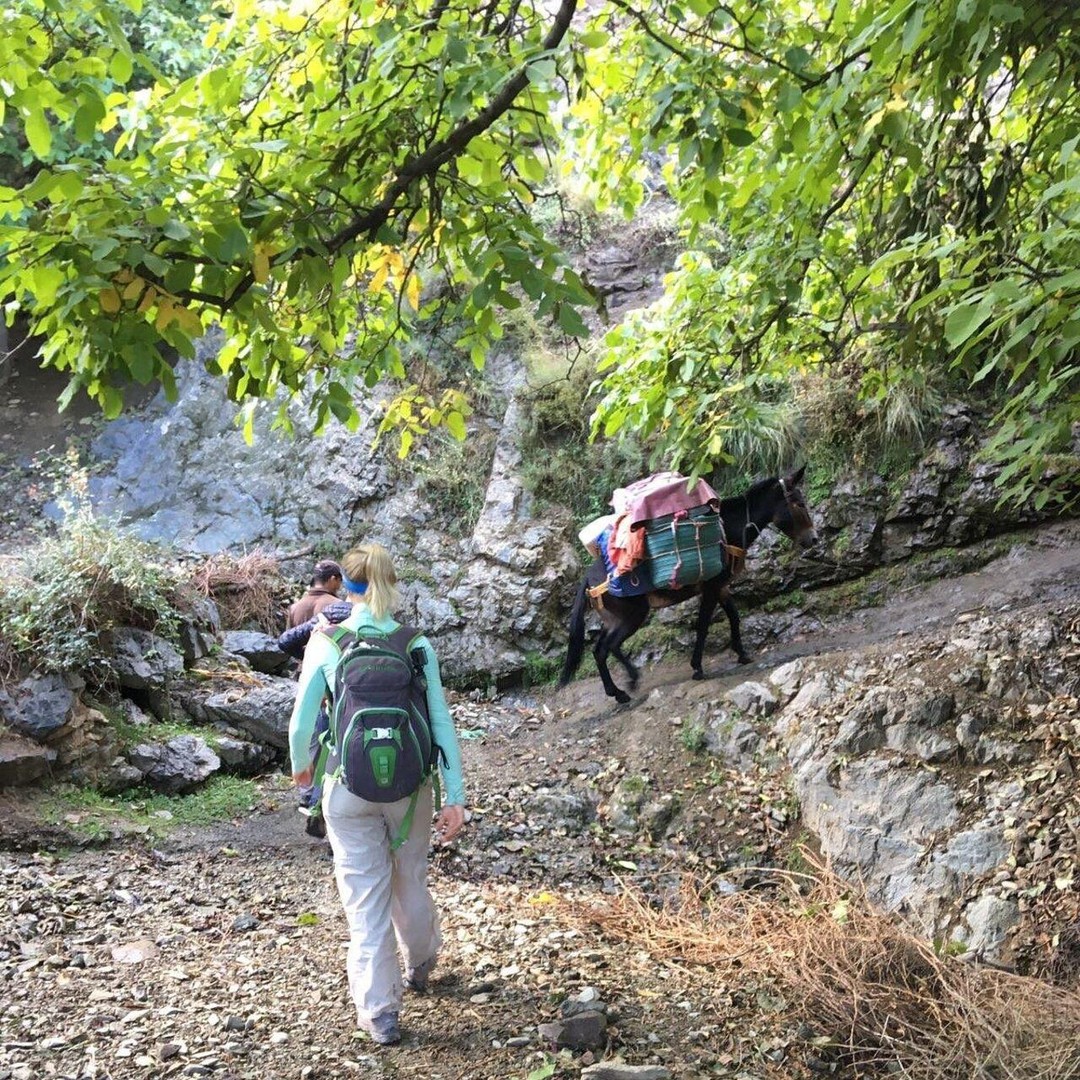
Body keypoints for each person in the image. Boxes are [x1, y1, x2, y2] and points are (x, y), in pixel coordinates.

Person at [288, 542, 466, 1046]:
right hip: (411, 791)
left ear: (345, 584)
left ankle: (380, 1011)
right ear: (391, 580)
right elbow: (440, 724)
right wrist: (455, 794)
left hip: (347, 788)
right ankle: (423, 958)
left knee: (366, 898)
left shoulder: (327, 642)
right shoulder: (415, 644)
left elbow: (301, 725)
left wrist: (303, 774)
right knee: (409, 877)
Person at [286, 559, 344, 628]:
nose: (340, 586)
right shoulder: (339, 606)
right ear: (333, 579)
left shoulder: (294, 608)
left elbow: (287, 637)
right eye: (340, 581)